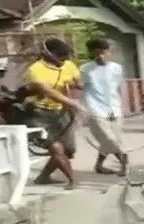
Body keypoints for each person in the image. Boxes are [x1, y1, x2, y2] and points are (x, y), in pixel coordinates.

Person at [22, 38, 86, 190]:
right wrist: (74, 104)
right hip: (39, 113)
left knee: (68, 151)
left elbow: (80, 84)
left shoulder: (69, 65)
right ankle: (72, 180)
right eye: (60, 57)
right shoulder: (35, 69)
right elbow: (48, 91)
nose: (64, 60)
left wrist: (74, 84)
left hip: (63, 113)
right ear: (47, 54)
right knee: (56, 148)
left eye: (66, 57)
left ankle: (43, 177)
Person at [80, 38, 128, 176]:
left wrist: (121, 106)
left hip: (114, 107)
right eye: (96, 54)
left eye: (102, 52)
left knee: (112, 139)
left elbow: (120, 87)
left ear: (108, 51)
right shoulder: (85, 69)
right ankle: (125, 160)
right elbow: (82, 86)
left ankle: (99, 165)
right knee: (108, 138)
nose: (99, 56)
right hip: (95, 107)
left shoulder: (117, 68)